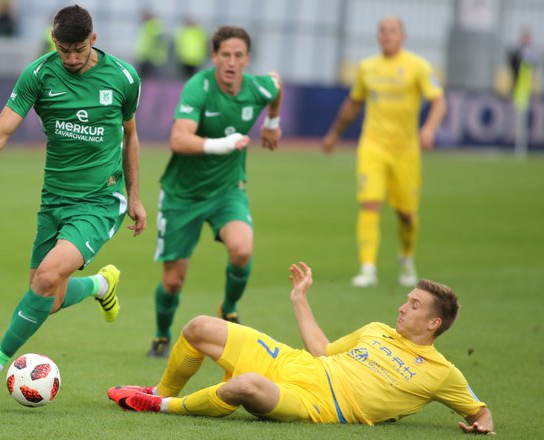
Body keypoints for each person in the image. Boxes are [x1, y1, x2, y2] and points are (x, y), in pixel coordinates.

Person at [0, 4, 146, 391]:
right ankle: (101, 285)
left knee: (47, 278)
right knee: (46, 296)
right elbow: (1, 131)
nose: (70, 58)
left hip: (99, 203)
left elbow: (131, 135)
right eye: (64, 49)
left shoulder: (123, 78)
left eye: (79, 49)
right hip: (54, 201)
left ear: (93, 40)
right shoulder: (38, 75)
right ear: (53, 40)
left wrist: (134, 196)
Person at [109, 262, 495, 435]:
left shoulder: (440, 372)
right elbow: (323, 350)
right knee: (198, 327)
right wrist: (299, 298)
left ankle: (160, 407)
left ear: (433, 324)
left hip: (318, 405)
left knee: (246, 386)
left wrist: (483, 426)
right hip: (296, 363)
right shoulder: (377, 330)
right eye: (406, 299)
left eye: (414, 305)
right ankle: (160, 391)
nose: (401, 307)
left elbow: (480, 410)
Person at [146, 25, 283, 358]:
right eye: (225, 55)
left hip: (227, 191)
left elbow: (276, 86)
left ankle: (229, 308)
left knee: (242, 250)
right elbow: (178, 139)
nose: (232, 62)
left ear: (247, 59)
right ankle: (162, 335)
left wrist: (272, 124)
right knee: (174, 281)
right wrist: (225, 144)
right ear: (214, 57)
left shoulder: (258, 87)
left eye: (238, 56)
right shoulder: (199, 87)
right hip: (183, 195)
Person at [320, 16, 447, 288]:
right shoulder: (367, 67)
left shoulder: (418, 66)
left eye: (392, 31)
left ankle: (406, 256)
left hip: (406, 150)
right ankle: (367, 268)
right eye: (383, 31)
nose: (387, 35)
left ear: (402, 36)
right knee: (370, 203)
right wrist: (333, 135)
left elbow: (438, 102)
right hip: (372, 146)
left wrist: (430, 129)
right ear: (378, 36)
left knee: (406, 214)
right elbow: (353, 104)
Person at [134, 9, 169, 78]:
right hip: (144, 57)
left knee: (149, 78)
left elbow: (157, 42)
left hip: (151, 58)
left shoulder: (154, 26)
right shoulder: (147, 25)